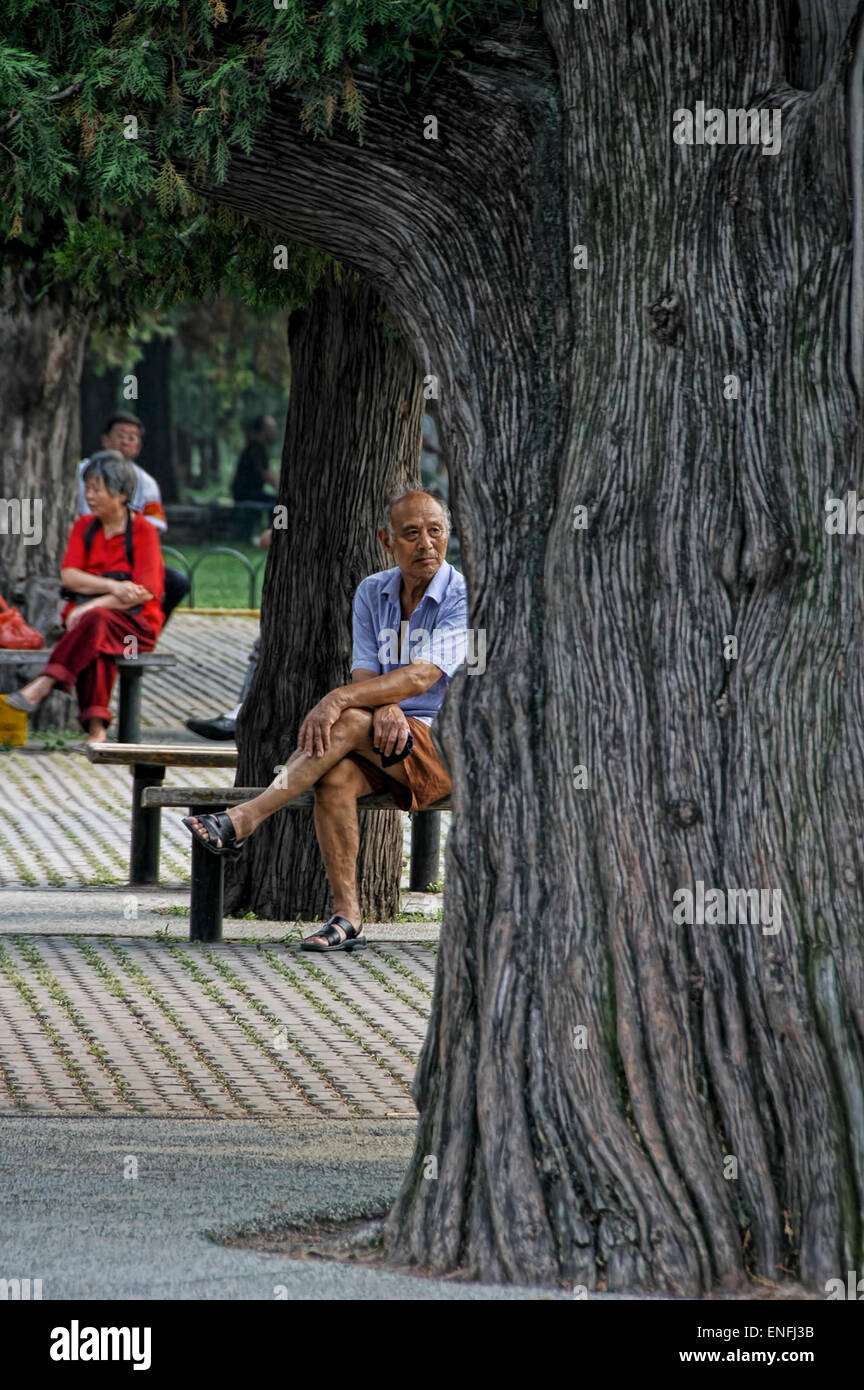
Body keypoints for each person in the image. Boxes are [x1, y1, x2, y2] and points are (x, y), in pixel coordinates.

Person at [181, 490, 467, 951]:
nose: (426, 544)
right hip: (385, 739)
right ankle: (347, 916)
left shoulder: (462, 596)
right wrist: (382, 705)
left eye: (435, 532)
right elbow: (368, 671)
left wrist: (338, 699)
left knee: (347, 720)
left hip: (449, 746)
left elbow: (420, 677)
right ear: (385, 539)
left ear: (448, 535)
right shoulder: (373, 591)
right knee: (335, 778)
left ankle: (247, 817)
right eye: (411, 533)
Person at [7, 453, 165, 744]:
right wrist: (113, 586)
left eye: (97, 489)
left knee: (95, 623)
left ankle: (46, 681)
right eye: (87, 489)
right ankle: (97, 730)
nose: (89, 496)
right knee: (96, 641)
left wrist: (93, 603)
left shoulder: (143, 531)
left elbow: (145, 591)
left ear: (120, 494)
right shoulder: (84, 527)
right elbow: (70, 575)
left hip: (135, 627)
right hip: (90, 625)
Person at [77, 412, 190, 620]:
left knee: (175, 582)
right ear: (105, 440)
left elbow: (153, 526)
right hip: (86, 552)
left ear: (138, 447)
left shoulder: (146, 483)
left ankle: (144, 631)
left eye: (132, 438)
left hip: (128, 557)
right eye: (120, 435)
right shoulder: (78, 473)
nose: (125, 442)